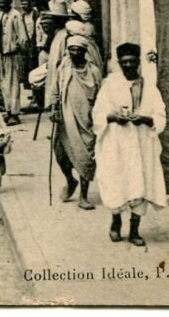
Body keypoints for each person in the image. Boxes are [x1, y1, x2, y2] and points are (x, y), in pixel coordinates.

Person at [93, 43, 167, 246]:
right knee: (117, 181)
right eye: (124, 62)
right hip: (116, 143)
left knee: (139, 183)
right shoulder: (110, 85)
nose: (128, 65)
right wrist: (113, 117)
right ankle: (116, 222)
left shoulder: (149, 87)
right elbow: (98, 113)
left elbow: (160, 114)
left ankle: (135, 230)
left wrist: (144, 119)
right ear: (119, 63)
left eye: (131, 62)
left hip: (142, 144)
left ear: (137, 62)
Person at [51, 36, 102, 210]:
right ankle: (70, 180)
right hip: (65, 117)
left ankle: (84, 196)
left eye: (78, 50)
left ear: (84, 52)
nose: (74, 53)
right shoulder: (64, 68)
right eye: (71, 49)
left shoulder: (94, 71)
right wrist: (54, 108)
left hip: (86, 119)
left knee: (85, 157)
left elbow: (100, 95)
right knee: (60, 153)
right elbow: (55, 88)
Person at [0, 0, 28, 126]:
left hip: (12, 54)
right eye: (0, 3)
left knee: (13, 84)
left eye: (4, 2)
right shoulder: (1, 15)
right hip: (2, 53)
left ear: (9, 2)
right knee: (4, 84)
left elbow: (23, 37)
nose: (1, 5)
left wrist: (17, 49)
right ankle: (8, 110)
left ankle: (14, 113)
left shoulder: (16, 15)